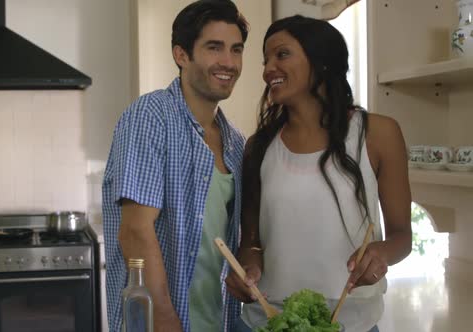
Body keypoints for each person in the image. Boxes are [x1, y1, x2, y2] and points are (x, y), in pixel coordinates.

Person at [226, 15, 412, 332]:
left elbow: (402, 237)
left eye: (281, 54)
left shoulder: (378, 134)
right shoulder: (258, 147)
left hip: (353, 321)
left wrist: (379, 254)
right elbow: (252, 242)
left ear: (321, 61)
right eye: (265, 59)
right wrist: (248, 270)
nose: (268, 68)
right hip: (269, 320)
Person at [102, 1, 250, 331]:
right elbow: (135, 231)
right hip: (163, 323)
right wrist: (165, 320)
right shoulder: (150, 116)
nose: (229, 62)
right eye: (214, 48)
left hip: (215, 320)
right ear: (181, 55)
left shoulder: (236, 142)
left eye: (236, 49)